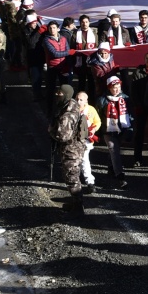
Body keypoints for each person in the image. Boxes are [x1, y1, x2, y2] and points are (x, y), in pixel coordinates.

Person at [49, 85, 89, 215]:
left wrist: (51, 131)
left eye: (60, 93)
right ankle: (75, 203)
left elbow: (63, 135)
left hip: (71, 149)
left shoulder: (68, 113)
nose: (57, 95)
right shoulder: (71, 104)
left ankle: (78, 208)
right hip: (73, 147)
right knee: (70, 176)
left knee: (72, 178)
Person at [95, 75, 130, 189]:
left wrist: (130, 129)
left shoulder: (125, 98)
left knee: (115, 150)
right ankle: (120, 176)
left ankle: (111, 168)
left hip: (121, 129)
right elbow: (97, 116)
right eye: (114, 88)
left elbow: (131, 115)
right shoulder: (102, 100)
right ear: (109, 88)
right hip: (108, 130)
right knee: (114, 150)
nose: (116, 90)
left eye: (118, 87)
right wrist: (97, 132)